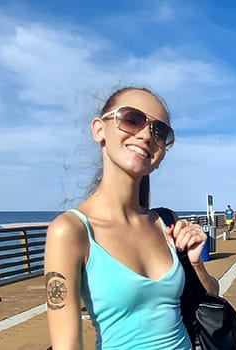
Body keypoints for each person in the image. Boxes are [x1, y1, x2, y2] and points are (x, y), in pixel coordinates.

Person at [44, 86, 219, 350]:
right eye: (132, 119)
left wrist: (194, 264)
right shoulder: (71, 231)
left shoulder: (165, 221)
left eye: (160, 131)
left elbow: (210, 298)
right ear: (99, 129)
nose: (147, 134)